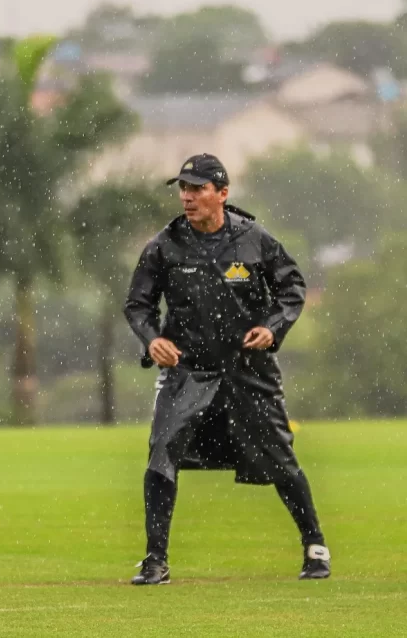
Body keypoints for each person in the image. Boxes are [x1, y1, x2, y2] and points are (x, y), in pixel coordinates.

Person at [124, 153, 330, 585]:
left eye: (198, 188)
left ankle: (315, 546)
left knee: (281, 456)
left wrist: (272, 329)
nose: (187, 196)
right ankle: (154, 559)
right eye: (183, 188)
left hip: (247, 371)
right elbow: (138, 307)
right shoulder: (164, 246)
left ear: (222, 193)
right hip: (187, 372)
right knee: (161, 455)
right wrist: (152, 341)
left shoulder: (255, 239)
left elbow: (292, 289)